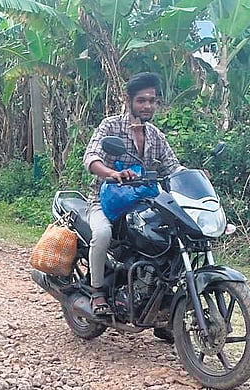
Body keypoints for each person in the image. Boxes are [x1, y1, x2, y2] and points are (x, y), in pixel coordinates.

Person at [82, 72, 181, 315]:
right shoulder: (111, 126)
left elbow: (173, 166)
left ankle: (161, 299)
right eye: (141, 100)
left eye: (152, 100)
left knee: (173, 238)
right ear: (129, 100)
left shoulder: (156, 136)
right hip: (104, 201)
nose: (147, 105)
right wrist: (110, 173)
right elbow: (91, 157)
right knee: (102, 234)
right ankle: (96, 293)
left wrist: (193, 175)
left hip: (144, 204)